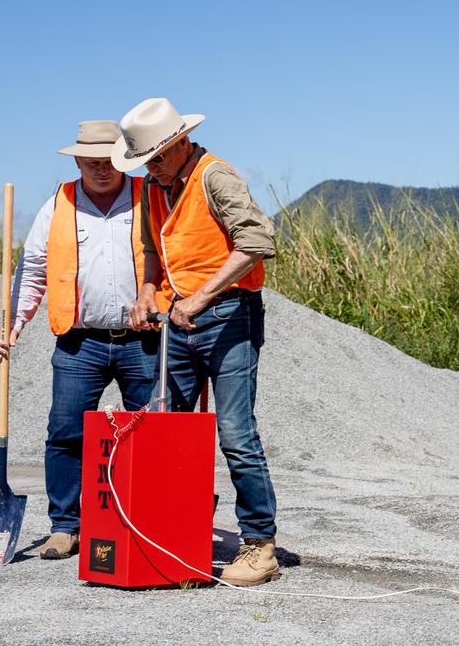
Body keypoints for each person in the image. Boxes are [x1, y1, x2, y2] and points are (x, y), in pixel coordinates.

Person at [115, 97, 281, 587]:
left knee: (234, 430)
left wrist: (203, 296)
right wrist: (148, 291)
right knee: (162, 426)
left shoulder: (216, 176)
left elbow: (258, 240)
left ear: (181, 142)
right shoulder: (153, 186)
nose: (154, 169)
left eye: (159, 158)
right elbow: (150, 248)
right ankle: (172, 532)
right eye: (147, 162)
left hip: (229, 314)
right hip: (178, 319)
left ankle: (260, 545)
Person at [0, 120, 160, 560]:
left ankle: (146, 522)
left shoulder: (150, 196)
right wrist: (12, 324)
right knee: (65, 433)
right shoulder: (58, 204)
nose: (100, 169)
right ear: (77, 161)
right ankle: (66, 526)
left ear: (122, 160)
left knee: (151, 435)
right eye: (91, 162)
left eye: (108, 161)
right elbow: (32, 271)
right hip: (78, 343)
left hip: (143, 341)